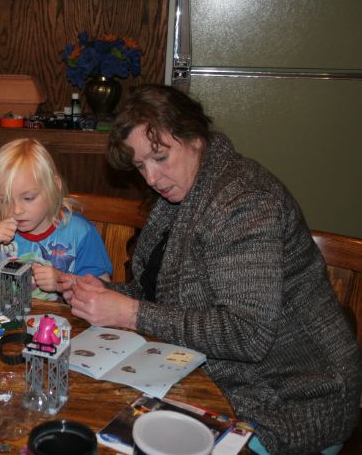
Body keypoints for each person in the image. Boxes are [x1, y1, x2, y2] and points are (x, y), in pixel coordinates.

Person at [60, 85, 361, 454]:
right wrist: (102, 294)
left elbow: (248, 333)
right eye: (140, 166)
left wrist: (130, 313)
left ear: (196, 139)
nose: (151, 178)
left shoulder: (245, 202)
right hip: (218, 378)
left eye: (160, 157)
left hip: (289, 399)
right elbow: (160, 294)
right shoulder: (181, 192)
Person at [0, 138, 112, 300]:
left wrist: (61, 281)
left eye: (28, 198)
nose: (16, 210)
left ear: (55, 186)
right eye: (5, 201)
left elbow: (103, 294)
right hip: (11, 320)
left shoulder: (80, 233)